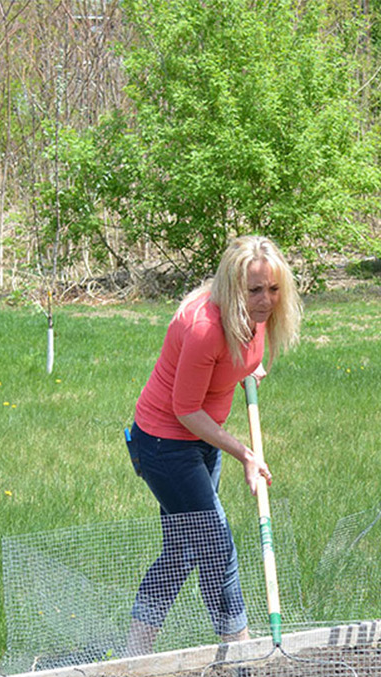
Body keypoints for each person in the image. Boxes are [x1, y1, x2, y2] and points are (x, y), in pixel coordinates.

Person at [123, 235, 302, 655]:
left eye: (273, 289)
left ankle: (133, 653)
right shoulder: (205, 327)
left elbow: (235, 361)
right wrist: (245, 454)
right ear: (232, 288)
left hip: (199, 443)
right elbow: (185, 409)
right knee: (216, 547)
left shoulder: (256, 319)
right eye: (254, 290)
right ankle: (240, 654)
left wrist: (246, 370)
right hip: (165, 445)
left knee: (182, 552)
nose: (265, 300)